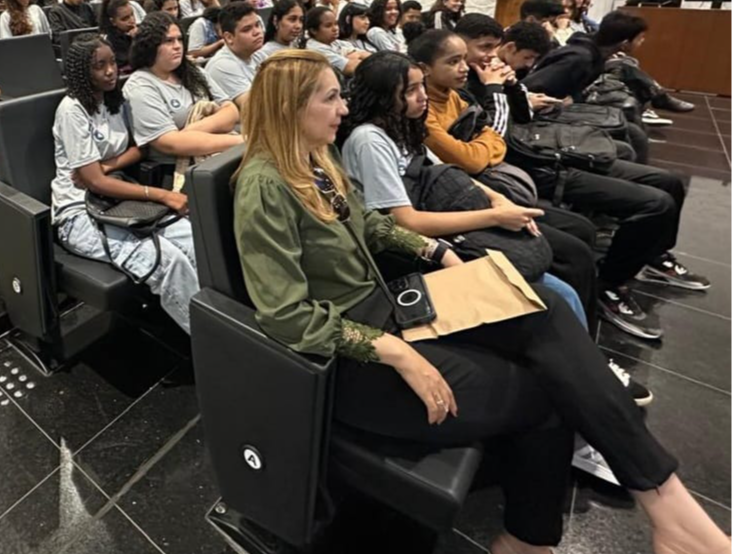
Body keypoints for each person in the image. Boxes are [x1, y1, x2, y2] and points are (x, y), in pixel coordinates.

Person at [232, 49, 731, 554]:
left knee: (543, 307)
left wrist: (438, 252)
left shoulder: (317, 158)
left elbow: (370, 225)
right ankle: (531, 540)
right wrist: (396, 351)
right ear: (290, 107)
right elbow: (286, 316)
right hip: (350, 357)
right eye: (330, 98)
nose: (344, 108)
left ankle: (667, 505)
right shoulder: (264, 186)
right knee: (550, 392)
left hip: (388, 307)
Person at [341, 52, 651, 417]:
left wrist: (498, 199)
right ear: (382, 95)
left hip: (452, 210)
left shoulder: (405, 126)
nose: (422, 96)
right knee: (559, 290)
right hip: (422, 243)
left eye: (421, 86)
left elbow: (448, 171)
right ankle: (587, 381)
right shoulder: (369, 139)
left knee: (574, 249)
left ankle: (587, 365)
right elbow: (405, 222)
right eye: (410, 90)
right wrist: (493, 216)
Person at [409, 29, 708, 343]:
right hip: (517, 171)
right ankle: (606, 290)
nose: (486, 58)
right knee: (608, 224)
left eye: (487, 50)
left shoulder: (458, 93)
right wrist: (494, 102)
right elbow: (477, 157)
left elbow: (501, 133)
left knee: (651, 171)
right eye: (479, 50)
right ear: (424, 68)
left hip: (527, 157)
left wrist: (511, 90)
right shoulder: (433, 106)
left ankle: (641, 261)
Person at [51, 35, 199, 332]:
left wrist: (106, 166)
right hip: (78, 212)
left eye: (113, 63)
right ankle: (212, 344)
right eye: (99, 66)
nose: (110, 71)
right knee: (168, 261)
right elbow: (94, 183)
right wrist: (163, 195)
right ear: (81, 71)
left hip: (118, 199)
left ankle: (218, 320)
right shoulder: (72, 110)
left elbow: (139, 148)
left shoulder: (115, 100)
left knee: (194, 240)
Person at [123, 12, 242, 170]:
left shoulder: (191, 71)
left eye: (179, 39)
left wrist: (190, 131)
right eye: (168, 41)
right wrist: (241, 141)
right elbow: (170, 144)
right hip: (178, 169)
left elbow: (231, 111)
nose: (177, 46)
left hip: (220, 154)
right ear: (149, 46)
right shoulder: (140, 86)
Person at [205, 2, 267, 108]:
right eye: (247, 29)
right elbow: (255, 107)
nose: (257, 32)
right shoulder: (221, 65)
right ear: (229, 37)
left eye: (257, 25)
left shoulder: (258, 55)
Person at [302, 5, 364, 77]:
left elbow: (367, 55)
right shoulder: (316, 49)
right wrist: (356, 56)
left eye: (336, 24)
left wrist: (358, 55)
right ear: (313, 30)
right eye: (328, 26)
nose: (335, 28)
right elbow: (351, 68)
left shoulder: (336, 42)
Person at [99, 0, 138, 74]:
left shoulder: (136, 33)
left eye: (132, 15)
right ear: (113, 21)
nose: (131, 21)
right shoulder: (108, 41)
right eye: (125, 19)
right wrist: (136, 42)